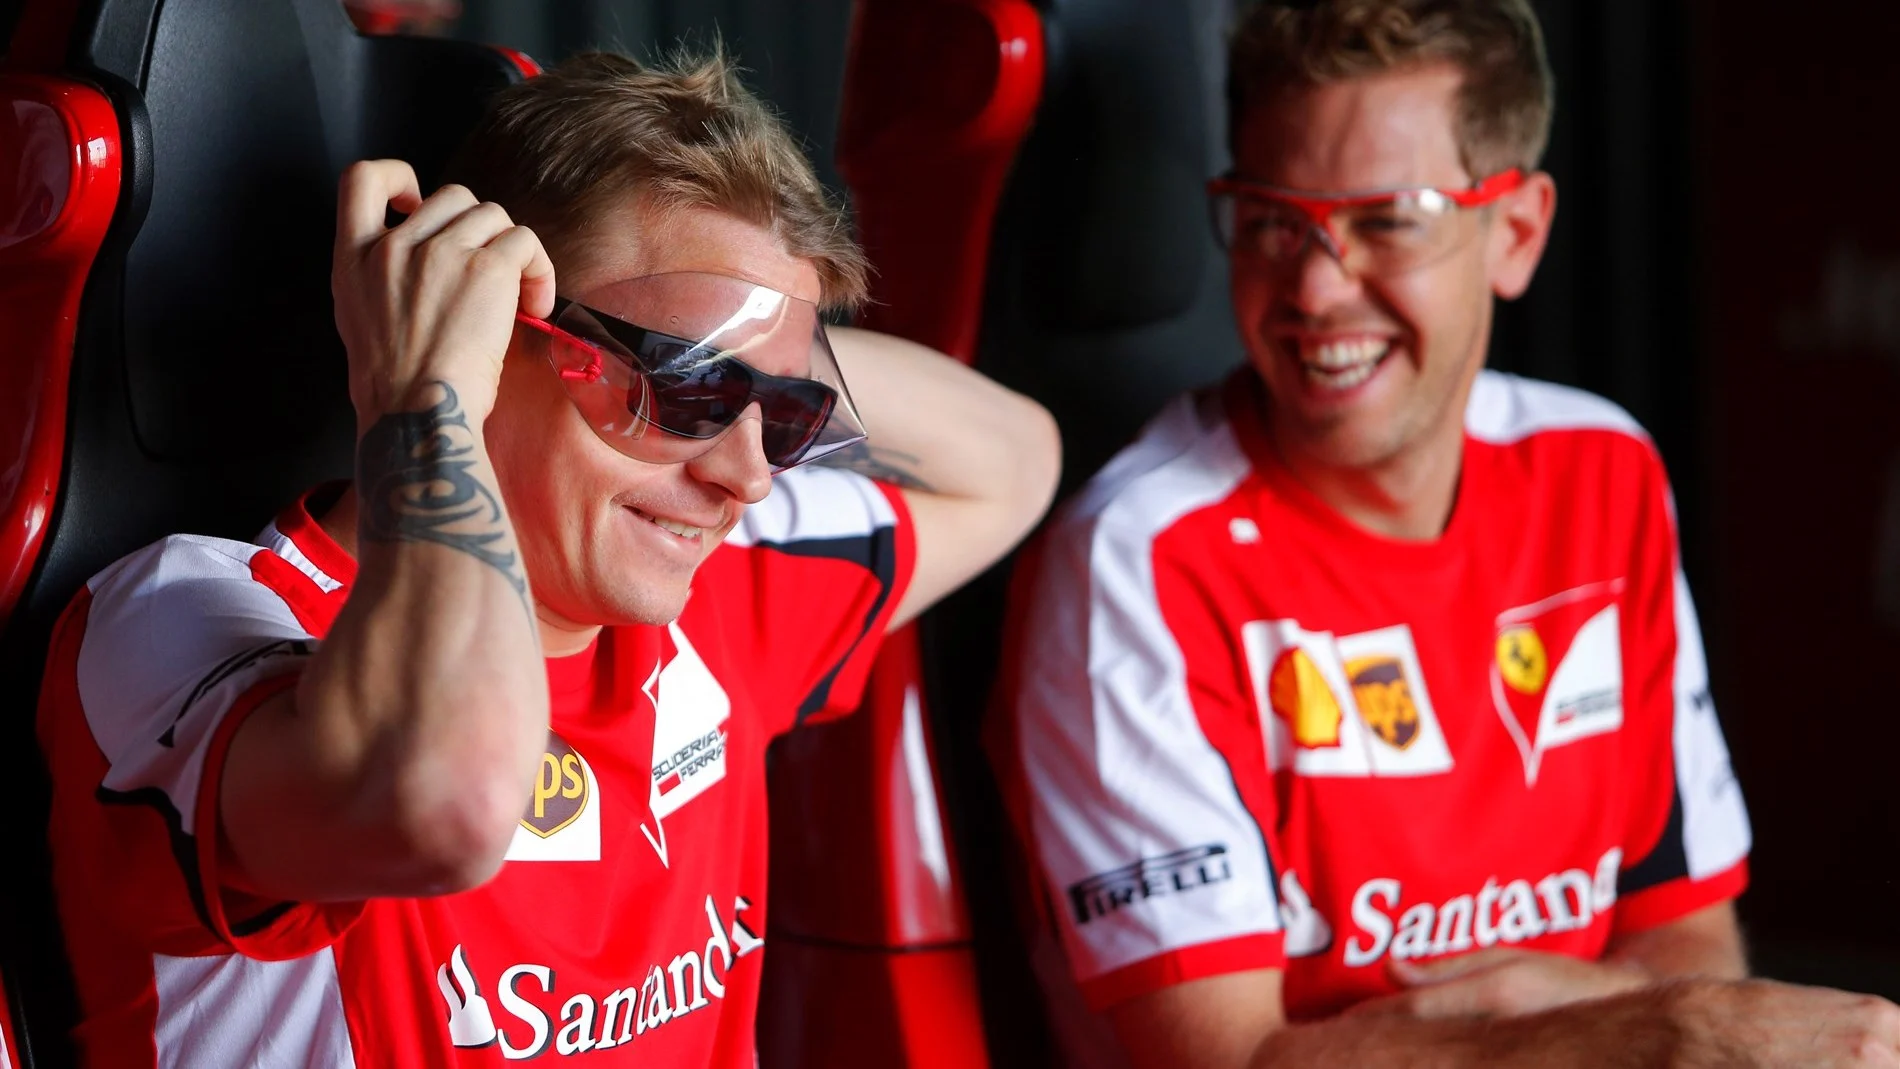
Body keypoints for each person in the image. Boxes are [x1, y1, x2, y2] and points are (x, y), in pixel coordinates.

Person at [36, 49, 1059, 1067]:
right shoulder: (176, 621)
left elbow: (1014, 460)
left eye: (784, 419)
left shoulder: (705, 588)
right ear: (486, 325)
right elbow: (446, 800)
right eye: (683, 394)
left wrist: (752, 352)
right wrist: (424, 388)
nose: (747, 479)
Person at [994, 1, 1900, 1066]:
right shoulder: (1138, 557)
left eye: (1387, 220)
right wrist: (1657, 1028)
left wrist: (1565, 1019)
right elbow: (1228, 1060)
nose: (1316, 287)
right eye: (1272, 220)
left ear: (1513, 232)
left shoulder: (1601, 468)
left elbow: (1682, 924)